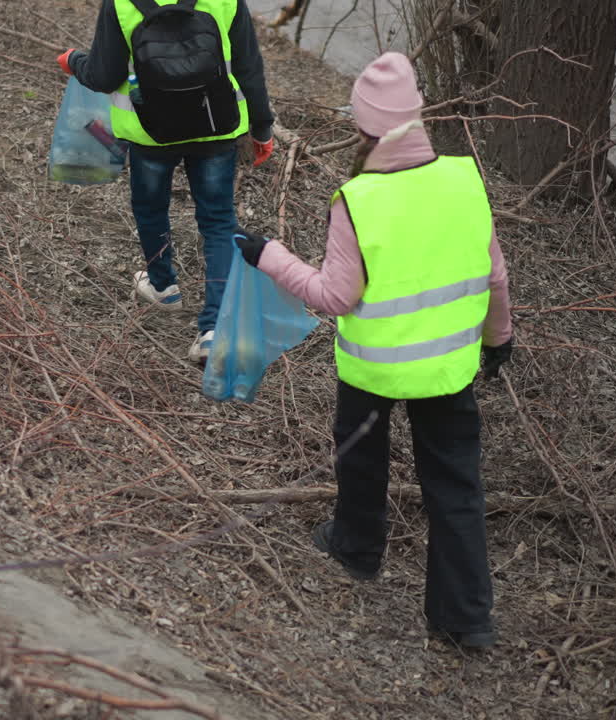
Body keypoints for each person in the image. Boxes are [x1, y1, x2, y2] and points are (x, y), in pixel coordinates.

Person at [233, 52, 513, 649]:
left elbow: (336, 296)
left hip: (373, 368)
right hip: (448, 369)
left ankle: (357, 549)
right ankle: (465, 620)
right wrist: (499, 340)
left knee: (361, 461)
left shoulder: (357, 199)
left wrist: (270, 256)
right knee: (456, 490)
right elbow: (495, 275)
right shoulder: (466, 179)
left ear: (364, 128)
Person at [57, 0, 276, 363]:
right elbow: (249, 65)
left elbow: (104, 76)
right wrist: (262, 126)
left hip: (150, 132)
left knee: (150, 207)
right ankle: (213, 331)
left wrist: (73, 61)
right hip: (215, 127)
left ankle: (163, 286)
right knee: (219, 222)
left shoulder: (122, 3)